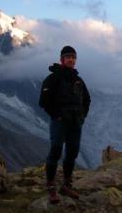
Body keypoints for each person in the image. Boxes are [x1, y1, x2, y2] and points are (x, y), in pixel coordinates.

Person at [39, 45, 91, 204]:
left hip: (75, 122)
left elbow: (87, 99)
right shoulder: (53, 78)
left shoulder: (78, 80)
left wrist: (82, 116)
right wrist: (57, 116)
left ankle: (67, 185)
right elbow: (44, 102)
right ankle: (51, 187)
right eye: (68, 57)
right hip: (60, 122)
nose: (71, 60)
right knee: (55, 150)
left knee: (72, 152)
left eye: (73, 57)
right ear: (62, 59)